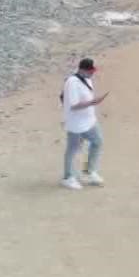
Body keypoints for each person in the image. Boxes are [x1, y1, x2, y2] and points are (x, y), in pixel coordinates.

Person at [60, 57, 107, 190]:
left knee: (98, 142)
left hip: (89, 121)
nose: (93, 73)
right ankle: (68, 177)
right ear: (82, 70)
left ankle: (89, 172)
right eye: (90, 71)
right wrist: (93, 102)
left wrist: (92, 103)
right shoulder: (72, 83)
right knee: (72, 149)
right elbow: (74, 105)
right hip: (76, 123)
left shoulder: (87, 79)